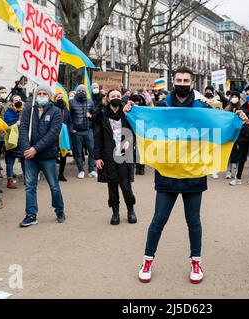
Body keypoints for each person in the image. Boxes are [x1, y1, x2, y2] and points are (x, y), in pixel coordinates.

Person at [125, 67, 212, 284]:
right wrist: (130, 112)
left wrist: (237, 118)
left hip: (193, 174)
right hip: (167, 175)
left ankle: (196, 262)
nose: (182, 82)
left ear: (192, 83)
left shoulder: (202, 107)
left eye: (186, 80)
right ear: (173, 81)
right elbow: (144, 125)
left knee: (194, 222)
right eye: (179, 79)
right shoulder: (161, 107)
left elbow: (220, 124)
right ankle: (147, 260)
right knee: (158, 221)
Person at [18, 85, 66, 227]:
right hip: (30, 156)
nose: (42, 95)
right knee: (30, 187)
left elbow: (53, 134)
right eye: (40, 93)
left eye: (45, 93)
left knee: (54, 186)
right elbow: (23, 129)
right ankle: (31, 215)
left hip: (48, 156)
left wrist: (35, 149)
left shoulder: (56, 111)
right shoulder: (28, 109)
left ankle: (59, 210)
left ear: (49, 96)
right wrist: (27, 149)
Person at [94, 89, 137, 225]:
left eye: (118, 96)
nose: (116, 98)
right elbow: (98, 137)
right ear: (107, 98)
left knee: (125, 185)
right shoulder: (101, 115)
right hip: (108, 155)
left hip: (124, 155)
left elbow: (134, 131)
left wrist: (129, 141)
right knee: (112, 186)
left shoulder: (127, 113)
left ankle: (131, 210)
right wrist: (97, 157)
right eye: (113, 96)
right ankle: (115, 213)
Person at [69, 85, 97, 179]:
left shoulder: (90, 102)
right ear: (77, 92)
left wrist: (91, 116)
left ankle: (91, 170)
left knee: (92, 150)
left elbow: (95, 116)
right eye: (79, 90)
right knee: (78, 152)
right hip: (77, 131)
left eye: (83, 91)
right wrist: (71, 128)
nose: (81, 92)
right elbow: (69, 117)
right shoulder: (71, 102)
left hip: (88, 130)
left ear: (86, 92)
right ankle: (81, 170)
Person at [3, 95, 25, 189]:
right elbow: (7, 126)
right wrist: (16, 123)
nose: (18, 101)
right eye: (16, 100)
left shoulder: (24, 111)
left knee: (24, 160)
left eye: (20, 100)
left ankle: (26, 178)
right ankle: (10, 180)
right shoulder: (9, 112)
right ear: (12, 102)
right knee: (10, 161)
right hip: (11, 139)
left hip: (22, 139)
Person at [54, 92, 72, 182]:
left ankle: (61, 174)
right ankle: (53, 175)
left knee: (63, 155)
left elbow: (69, 121)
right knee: (53, 154)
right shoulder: (52, 108)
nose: (60, 98)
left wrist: (69, 130)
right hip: (54, 134)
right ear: (55, 98)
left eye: (61, 97)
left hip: (64, 134)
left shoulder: (66, 108)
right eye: (58, 97)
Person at [224, 91, 242, 179]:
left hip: (239, 134)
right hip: (230, 134)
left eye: (236, 96)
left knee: (238, 153)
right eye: (233, 96)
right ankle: (229, 171)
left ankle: (238, 171)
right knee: (229, 153)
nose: (234, 98)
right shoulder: (227, 108)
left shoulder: (242, 108)